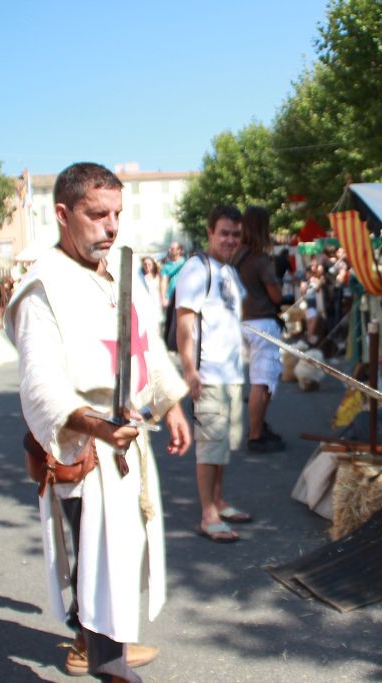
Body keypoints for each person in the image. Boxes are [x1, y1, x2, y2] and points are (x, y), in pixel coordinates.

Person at [5, 162, 192, 681]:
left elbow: (146, 350)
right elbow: (40, 384)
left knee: (119, 549)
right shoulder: (43, 288)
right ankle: (104, 660)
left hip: (124, 441)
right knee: (97, 554)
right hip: (82, 446)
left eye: (117, 214)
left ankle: (100, 639)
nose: (111, 227)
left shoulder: (119, 276)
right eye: (97, 215)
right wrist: (95, 426)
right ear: (63, 214)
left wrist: (172, 403)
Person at [176, 205, 249, 542]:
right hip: (209, 374)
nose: (230, 240)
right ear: (210, 233)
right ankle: (208, 515)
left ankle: (218, 501)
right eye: (224, 233)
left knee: (222, 447)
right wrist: (190, 371)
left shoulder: (229, 271)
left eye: (235, 234)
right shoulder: (197, 269)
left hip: (232, 374)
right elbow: (184, 324)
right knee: (209, 448)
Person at [232, 206, 285, 453]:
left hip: (242, 321)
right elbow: (276, 295)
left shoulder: (235, 256)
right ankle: (255, 435)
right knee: (262, 381)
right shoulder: (259, 258)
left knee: (258, 380)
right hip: (262, 323)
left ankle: (258, 426)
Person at [160, 242, 186, 350]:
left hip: (184, 297)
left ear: (179, 250)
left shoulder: (186, 263)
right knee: (170, 321)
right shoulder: (166, 266)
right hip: (171, 296)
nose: (170, 250)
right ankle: (169, 346)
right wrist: (163, 297)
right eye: (170, 248)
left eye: (173, 248)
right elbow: (163, 281)